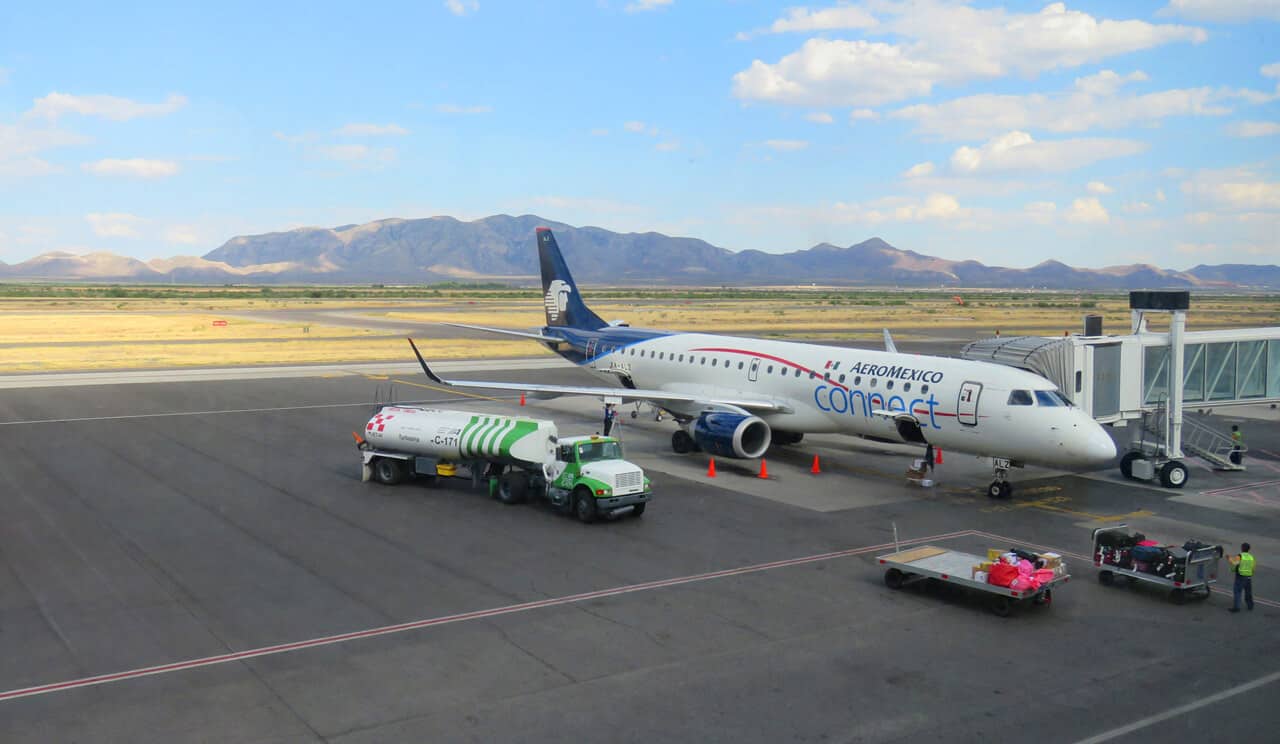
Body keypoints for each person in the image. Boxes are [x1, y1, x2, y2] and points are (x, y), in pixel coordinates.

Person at [1228, 542, 1255, 613]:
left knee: (1237, 592)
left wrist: (1229, 558)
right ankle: (1250, 606)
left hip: (1240, 577)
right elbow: (1253, 568)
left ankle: (1237, 607)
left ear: (1242, 548)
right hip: (1248, 577)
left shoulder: (1240, 556)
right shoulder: (1251, 557)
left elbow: (1234, 563)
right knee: (1248, 592)